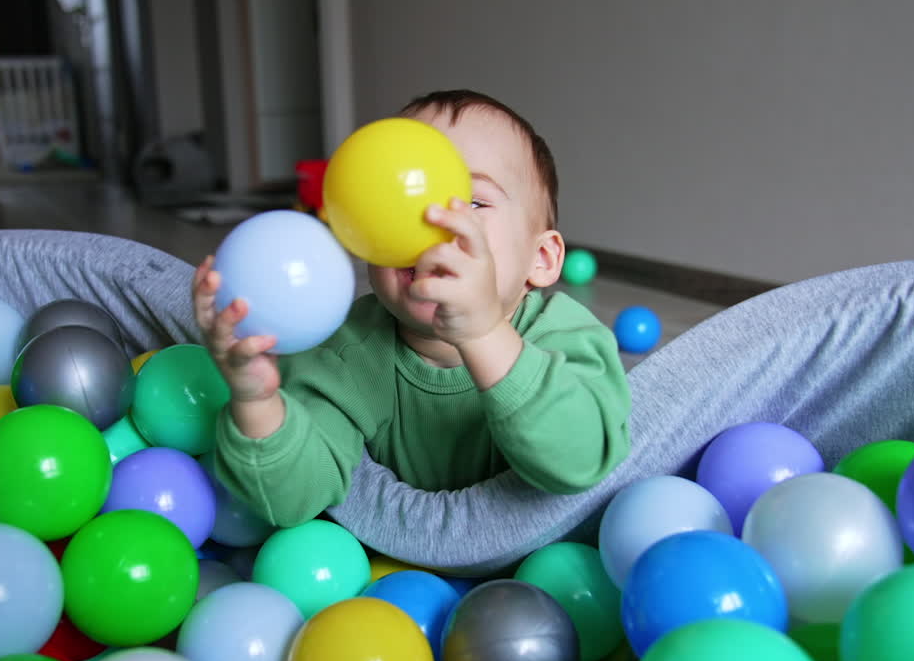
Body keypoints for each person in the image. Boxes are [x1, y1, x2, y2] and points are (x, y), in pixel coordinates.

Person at [191, 89, 631, 527]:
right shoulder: (345, 352)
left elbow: (582, 465)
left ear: (543, 259)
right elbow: (293, 501)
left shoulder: (565, 336)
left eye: (474, 201)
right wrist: (256, 400)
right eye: (402, 197)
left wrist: (483, 334)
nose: (425, 224)